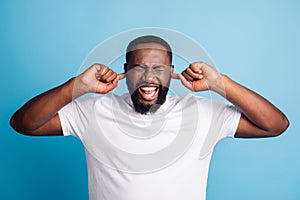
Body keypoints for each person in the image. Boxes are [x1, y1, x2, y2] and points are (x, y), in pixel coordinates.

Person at [10, 35, 289, 200]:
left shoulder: (201, 112)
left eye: (158, 68)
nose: (149, 77)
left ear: (171, 71)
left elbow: (276, 125)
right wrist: (76, 87)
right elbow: (23, 124)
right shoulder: (94, 110)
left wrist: (220, 84)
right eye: (139, 67)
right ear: (125, 70)